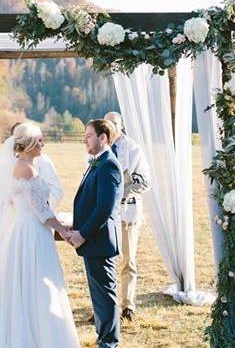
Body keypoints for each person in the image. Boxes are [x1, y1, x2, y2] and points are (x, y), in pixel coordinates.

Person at [0, 123, 79, 348]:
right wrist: (63, 229)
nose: (43, 144)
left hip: (29, 227)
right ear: (29, 144)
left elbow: (16, 200)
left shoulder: (25, 166)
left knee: (33, 280)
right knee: (37, 281)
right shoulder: (25, 169)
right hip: (31, 231)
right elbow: (41, 211)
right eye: (39, 141)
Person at [69, 119, 123, 348]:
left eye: (89, 135)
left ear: (103, 137)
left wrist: (83, 234)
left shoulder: (108, 164)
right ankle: (105, 340)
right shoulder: (97, 163)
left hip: (100, 241)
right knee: (99, 296)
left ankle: (109, 343)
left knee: (105, 296)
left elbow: (104, 208)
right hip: (93, 241)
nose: (84, 139)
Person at [105, 111, 151, 322]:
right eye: (107, 123)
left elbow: (145, 181)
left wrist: (122, 189)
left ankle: (128, 305)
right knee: (106, 261)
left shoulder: (132, 148)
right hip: (104, 214)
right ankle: (106, 305)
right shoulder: (99, 148)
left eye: (114, 123)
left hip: (127, 212)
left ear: (121, 125)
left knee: (127, 260)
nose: (111, 126)